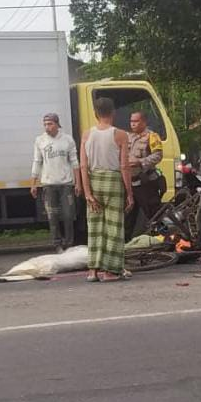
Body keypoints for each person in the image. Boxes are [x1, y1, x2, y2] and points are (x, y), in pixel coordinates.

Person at [80, 97, 133, 282]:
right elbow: (125, 166)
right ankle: (110, 271)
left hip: (93, 182)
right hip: (113, 182)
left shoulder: (86, 135)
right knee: (114, 228)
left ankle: (93, 271)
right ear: (113, 113)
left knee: (94, 228)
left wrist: (87, 193)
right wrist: (130, 194)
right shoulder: (120, 135)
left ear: (96, 113)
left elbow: (83, 166)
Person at [30, 113, 81, 253]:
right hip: (48, 183)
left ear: (57, 124)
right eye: (45, 124)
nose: (47, 127)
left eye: (50, 124)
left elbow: (75, 162)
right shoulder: (40, 140)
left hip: (66, 183)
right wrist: (33, 183)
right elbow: (37, 162)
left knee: (68, 215)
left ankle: (69, 243)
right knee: (52, 216)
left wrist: (78, 183)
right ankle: (56, 243)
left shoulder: (67, 140)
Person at [125, 111, 164, 242]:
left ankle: (162, 241)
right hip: (131, 184)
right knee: (128, 217)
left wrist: (141, 162)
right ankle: (126, 245)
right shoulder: (128, 137)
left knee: (154, 215)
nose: (133, 124)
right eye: (131, 121)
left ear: (144, 122)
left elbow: (158, 155)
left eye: (136, 121)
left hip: (146, 182)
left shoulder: (152, 136)